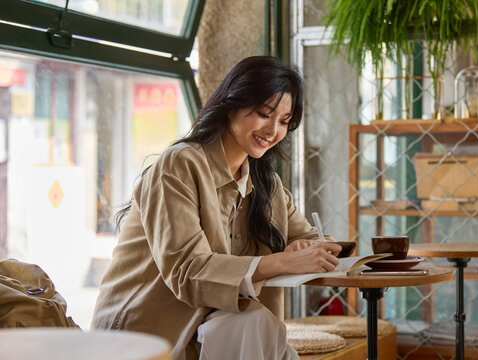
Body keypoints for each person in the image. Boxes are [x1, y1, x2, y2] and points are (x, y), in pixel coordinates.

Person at [91, 56, 343, 360]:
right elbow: (187, 270)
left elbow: (313, 240)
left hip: (220, 327)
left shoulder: (268, 186)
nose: (273, 130)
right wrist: (281, 262)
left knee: (259, 328)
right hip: (149, 336)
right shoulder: (180, 165)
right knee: (252, 322)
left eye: (284, 122)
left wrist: (304, 247)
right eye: (264, 113)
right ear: (233, 104)